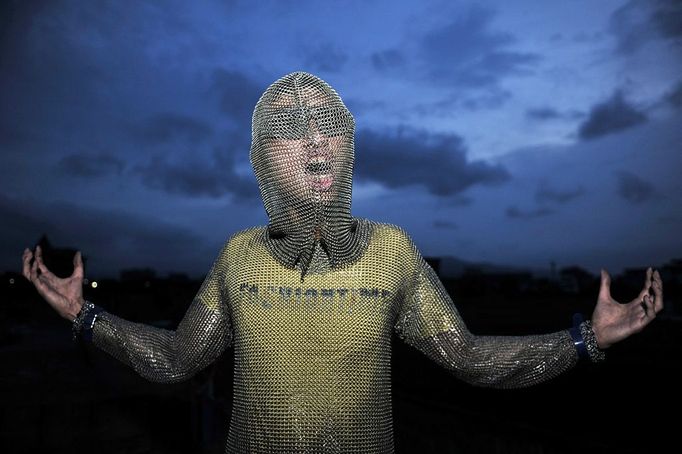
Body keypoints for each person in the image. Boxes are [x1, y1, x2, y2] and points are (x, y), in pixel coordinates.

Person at [22, 72, 664, 453]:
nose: (318, 145)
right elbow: (176, 359)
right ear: (263, 158)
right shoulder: (242, 258)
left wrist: (584, 340)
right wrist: (85, 316)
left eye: (330, 128)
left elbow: (467, 357)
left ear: (350, 146)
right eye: (294, 133)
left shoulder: (389, 252)